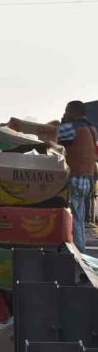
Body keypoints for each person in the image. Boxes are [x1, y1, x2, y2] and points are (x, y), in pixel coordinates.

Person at [58, 100, 98, 252]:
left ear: (73, 112)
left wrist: (62, 123)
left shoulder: (70, 126)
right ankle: (81, 252)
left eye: (67, 110)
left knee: (73, 219)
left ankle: (78, 254)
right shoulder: (91, 128)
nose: (65, 113)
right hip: (88, 180)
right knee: (80, 219)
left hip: (75, 177)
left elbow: (58, 147)